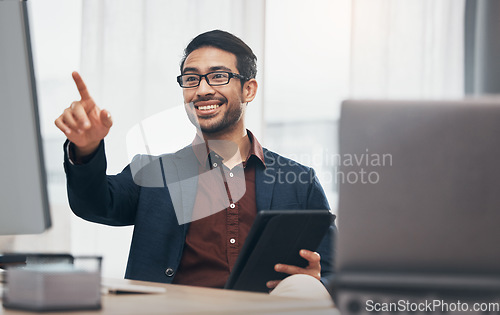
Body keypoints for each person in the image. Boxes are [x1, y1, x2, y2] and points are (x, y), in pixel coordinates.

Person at [55, 30, 335, 297]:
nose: (201, 90)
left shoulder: (300, 182)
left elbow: (336, 273)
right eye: (191, 79)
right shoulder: (155, 174)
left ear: (248, 90)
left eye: (218, 76)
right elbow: (93, 204)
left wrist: (317, 282)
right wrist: (87, 146)